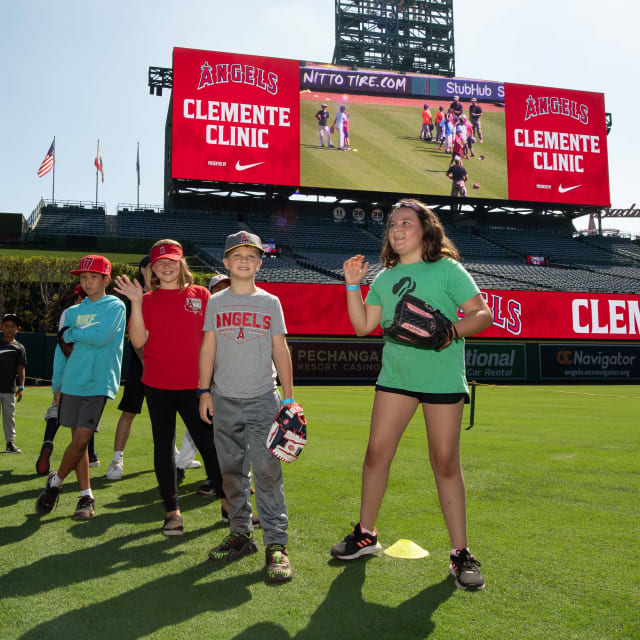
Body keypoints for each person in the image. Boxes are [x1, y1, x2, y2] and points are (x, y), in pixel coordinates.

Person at [331, 199, 493, 591]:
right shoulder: (383, 279)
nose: (397, 230)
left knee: (445, 463)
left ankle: (460, 553)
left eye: (407, 223)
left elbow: (482, 315)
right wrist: (352, 283)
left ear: (426, 230)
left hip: (442, 379)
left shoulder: (447, 269)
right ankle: (366, 535)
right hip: (397, 378)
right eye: (392, 226)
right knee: (376, 453)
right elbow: (362, 326)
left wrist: (452, 331)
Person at [199, 230, 295, 583]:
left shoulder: (270, 302)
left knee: (268, 473)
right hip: (223, 398)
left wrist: (288, 398)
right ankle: (240, 535)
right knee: (231, 473)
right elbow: (208, 348)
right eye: (237, 255)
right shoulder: (215, 302)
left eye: (251, 255)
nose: (244, 260)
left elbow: (281, 350)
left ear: (259, 263)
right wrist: (203, 391)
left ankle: (276, 545)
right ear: (225, 262)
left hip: (263, 399)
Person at [113, 239, 225, 536]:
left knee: (210, 444)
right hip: (158, 386)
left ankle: (229, 503)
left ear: (181, 264)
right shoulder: (147, 300)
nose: (166, 265)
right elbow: (138, 341)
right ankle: (172, 512)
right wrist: (136, 302)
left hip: (196, 387)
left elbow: (213, 339)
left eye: (171, 260)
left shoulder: (201, 295)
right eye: (159, 261)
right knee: (163, 449)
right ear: (151, 268)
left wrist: (208, 384)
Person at [35, 255, 125, 521]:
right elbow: (62, 352)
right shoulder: (72, 312)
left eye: (93, 277)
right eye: (83, 277)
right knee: (80, 443)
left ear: (106, 279)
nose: (87, 282)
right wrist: (57, 385)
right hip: (72, 382)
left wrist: (72, 333)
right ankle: (86, 496)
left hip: (98, 382)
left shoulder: (115, 306)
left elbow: (101, 337)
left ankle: (56, 482)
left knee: (83, 438)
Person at [36, 284, 100, 475]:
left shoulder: (68, 316)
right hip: (88, 375)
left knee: (56, 410)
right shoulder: (97, 318)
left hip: (67, 375)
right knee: (87, 418)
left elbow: (60, 352)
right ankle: (92, 455)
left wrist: (57, 386)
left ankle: (48, 441)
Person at [106, 256, 152, 481]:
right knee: (129, 411)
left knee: (165, 413)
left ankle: (174, 455)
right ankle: (117, 458)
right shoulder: (132, 296)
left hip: (162, 365)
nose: (161, 269)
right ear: (143, 269)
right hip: (140, 364)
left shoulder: (167, 294)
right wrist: (145, 360)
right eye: (154, 265)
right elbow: (134, 337)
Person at [1, 313, 26, 453]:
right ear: (2, 328)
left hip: (9, 389)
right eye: (7, 326)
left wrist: (21, 387)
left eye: (13, 327)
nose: (9, 329)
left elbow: (21, 369)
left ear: (18, 329)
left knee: (9, 417)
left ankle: (10, 443)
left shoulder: (20, 348)